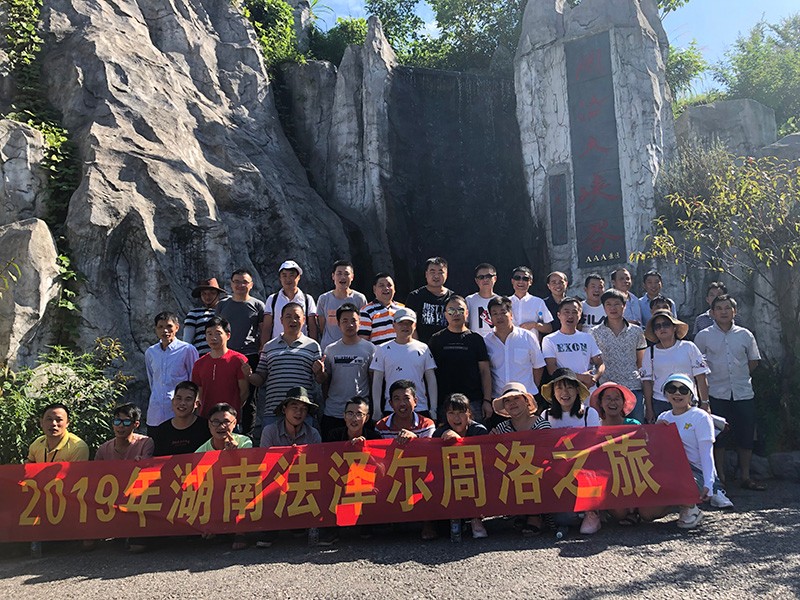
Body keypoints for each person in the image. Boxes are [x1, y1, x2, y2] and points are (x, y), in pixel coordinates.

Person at [694, 294, 764, 492]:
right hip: (716, 393)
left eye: (727, 308)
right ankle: (720, 477)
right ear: (712, 312)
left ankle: (746, 477)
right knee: (718, 438)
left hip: (743, 392)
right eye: (719, 308)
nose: (723, 312)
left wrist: (740, 376)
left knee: (745, 435)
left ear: (735, 311)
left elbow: (753, 360)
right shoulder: (703, 336)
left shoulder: (745, 335)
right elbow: (697, 365)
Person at [640, 374, 721, 529]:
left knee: (672, 481)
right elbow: (655, 452)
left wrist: (709, 483)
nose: (677, 393)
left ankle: (690, 507)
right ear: (665, 394)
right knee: (647, 513)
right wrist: (656, 432)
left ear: (691, 394)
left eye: (683, 390)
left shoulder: (701, 417)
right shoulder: (663, 417)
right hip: (669, 472)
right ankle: (681, 504)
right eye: (672, 389)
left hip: (695, 473)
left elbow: (707, 453)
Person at [538, 368, 601, 535]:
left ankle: (592, 512)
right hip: (557, 474)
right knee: (562, 519)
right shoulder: (545, 415)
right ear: (553, 392)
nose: (564, 393)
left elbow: (596, 447)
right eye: (559, 388)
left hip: (585, 470)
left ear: (577, 390)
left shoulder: (589, 413)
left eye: (569, 387)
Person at [248, 302, 324, 437]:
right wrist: (248, 375)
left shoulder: (313, 346)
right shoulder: (269, 346)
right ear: (281, 320)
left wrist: (320, 372)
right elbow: (260, 378)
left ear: (304, 320)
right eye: (288, 316)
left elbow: (320, 379)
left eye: (297, 317)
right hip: (273, 411)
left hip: (302, 412)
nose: (293, 320)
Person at [374, 380, 436, 540]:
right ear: (390, 403)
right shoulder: (381, 426)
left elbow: (432, 453)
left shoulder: (427, 424)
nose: (402, 403)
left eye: (406, 398)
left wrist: (414, 439)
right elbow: (377, 456)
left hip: (419, 471)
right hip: (392, 471)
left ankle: (428, 522)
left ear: (415, 401)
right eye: (397, 399)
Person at [489, 383, 550, 536]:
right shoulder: (501, 428)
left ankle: (535, 515)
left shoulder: (541, 424)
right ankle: (519, 511)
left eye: (516, 398)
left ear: (526, 401)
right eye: (507, 401)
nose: (512, 403)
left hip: (538, 472)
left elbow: (546, 453)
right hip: (512, 473)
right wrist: (491, 441)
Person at [196, 403, 253, 550]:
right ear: (209, 425)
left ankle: (241, 531)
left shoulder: (245, 442)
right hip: (215, 491)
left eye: (226, 422)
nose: (221, 426)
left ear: (235, 423)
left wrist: (235, 454)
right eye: (216, 422)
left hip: (238, 488)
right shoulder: (200, 452)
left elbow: (248, 473)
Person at [433, 393, 489, 539]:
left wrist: (459, 442)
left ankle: (476, 518)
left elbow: (486, 461)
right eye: (451, 413)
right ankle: (455, 517)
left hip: (476, 476)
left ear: (469, 413)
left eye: (461, 413)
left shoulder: (479, 431)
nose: (456, 418)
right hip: (450, 479)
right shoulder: (439, 433)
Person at [428, 295, 492, 423]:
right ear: (445, 314)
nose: (456, 314)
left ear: (467, 313)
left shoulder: (476, 339)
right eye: (451, 310)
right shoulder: (436, 339)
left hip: (473, 402)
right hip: (445, 403)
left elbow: (485, 371)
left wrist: (487, 400)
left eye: (460, 310)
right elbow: (429, 373)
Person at [216, 268, 266, 431]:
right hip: (227, 355)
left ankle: (248, 434)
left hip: (249, 355)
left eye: (244, 282)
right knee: (225, 394)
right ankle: (225, 430)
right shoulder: (222, 305)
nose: (240, 285)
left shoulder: (258, 305)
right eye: (236, 282)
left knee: (249, 398)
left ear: (251, 285)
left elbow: (263, 331)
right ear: (231, 284)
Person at [484, 296, 546, 428]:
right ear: (490, 318)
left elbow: (538, 367)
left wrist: (530, 389)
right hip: (500, 401)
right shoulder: (486, 341)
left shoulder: (527, 337)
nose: (499, 317)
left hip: (525, 399)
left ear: (511, 314)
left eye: (503, 312)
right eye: (495, 314)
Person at [641, 309, 710, 425]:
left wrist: (705, 403)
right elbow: (647, 382)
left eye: (666, 324)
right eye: (657, 326)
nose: (662, 328)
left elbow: (701, 377)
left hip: (688, 400)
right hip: (661, 403)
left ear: (674, 327)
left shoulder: (689, 347)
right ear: (654, 331)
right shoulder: (649, 352)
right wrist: (649, 408)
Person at [319, 303, 376, 439]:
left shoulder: (370, 349)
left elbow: (373, 381)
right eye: (345, 321)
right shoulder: (330, 349)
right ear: (338, 324)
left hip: (360, 413)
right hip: (334, 411)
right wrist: (319, 372)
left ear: (360, 323)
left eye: (353, 320)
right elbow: (325, 382)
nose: (349, 325)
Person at [589, 382, 642, 525]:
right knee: (619, 513)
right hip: (605, 478)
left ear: (623, 402)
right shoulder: (594, 426)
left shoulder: (634, 425)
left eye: (617, 398)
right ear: (600, 403)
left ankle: (634, 510)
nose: (612, 402)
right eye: (608, 398)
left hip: (631, 475)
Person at [590, 289, 647, 423]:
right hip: (607, 389)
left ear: (624, 306)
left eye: (616, 304)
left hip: (632, 386)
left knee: (636, 429)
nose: (613, 308)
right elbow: (595, 361)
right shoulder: (595, 332)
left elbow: (641, 361)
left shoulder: (636, 331)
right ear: (603, 307)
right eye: (608, 304)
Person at [371, 308, 437, 419]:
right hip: (392, 408)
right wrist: (377, 409)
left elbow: (431, 379)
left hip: (420, 407)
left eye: (409, 323)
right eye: (401, 323)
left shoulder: (423, 348)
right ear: (394, 325)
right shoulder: (382, 349)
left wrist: (433, 408)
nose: (405, 326)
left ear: (414, 326)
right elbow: (377, 381)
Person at [144, 311, 199, 428]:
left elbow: (194, 380)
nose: (165, 331)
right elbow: (152, 381)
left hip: (179, 411)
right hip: (156, 412)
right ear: (155, 329)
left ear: (177, 327)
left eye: (169, 326)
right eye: (160, 327)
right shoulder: (151, 352)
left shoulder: (187, 350)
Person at [190, 317, 250, 419]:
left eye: (218, 333)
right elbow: (199, 394)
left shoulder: (238, 360)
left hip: (229, 419)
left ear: (228, 335)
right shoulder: (199, 364)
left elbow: (244, 392)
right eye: (209, 334)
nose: (213, 338)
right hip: (206, 418)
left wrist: (232, 411)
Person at [541, 298, 604, 393]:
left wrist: (594, 378)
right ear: (559, 315)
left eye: (574, 312)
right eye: (566, 312)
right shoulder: (549, 339)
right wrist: (581, 377)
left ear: (580, 315)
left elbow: (600, 363)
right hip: (565, 391)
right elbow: (552, 369)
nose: (570, 316)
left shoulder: (587, 337)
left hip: (588, 389)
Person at [316, 260, 368, 350]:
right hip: (329, 349)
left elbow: (363, 325)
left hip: (353, 348)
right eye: (339, 274)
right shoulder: (323, 299)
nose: (343, 277)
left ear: (352, 277)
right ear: (333, 276)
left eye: (346, 274)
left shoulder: (359, 299)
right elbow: (321, 326)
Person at [150, 381, 211, 456]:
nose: (182, 403)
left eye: (188, 399)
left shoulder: (206, 428)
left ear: (196, 404)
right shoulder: (161, 431)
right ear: (173, 401)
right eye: (179, 398)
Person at [264, 260, 319, 340]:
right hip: (278, 344)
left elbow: (312, 326)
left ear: (298, 277)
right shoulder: (272, 299)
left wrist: (313, 345)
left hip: (302, 345)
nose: (288, 279)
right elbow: (267, 326)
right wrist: (264, 345)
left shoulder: (307, 299)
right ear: (280, 278)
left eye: (291, 275)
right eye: (284, 275)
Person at [405, 257, 454, 343]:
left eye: (440, 272)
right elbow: (410, 324)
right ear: (426, 274)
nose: (436, 276)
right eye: (432, 272)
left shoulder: (453, 298)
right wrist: (417, 346)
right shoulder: (415, 296)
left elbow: (458, 323)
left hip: (447, 345)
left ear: (446, 274)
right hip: (422, 346)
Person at [183, 277, 227, 356]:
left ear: (218, 294)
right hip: (200, 356)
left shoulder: (225, 312)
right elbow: (187, 340)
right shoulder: (194, 314)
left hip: (223, 356)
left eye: (212, 293)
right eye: (204, 293)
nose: (207, 296)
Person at [359, 272, 404, 345]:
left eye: (389, 285)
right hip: (378, 351)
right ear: (374, 289)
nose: (386, 288)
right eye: (381, 285)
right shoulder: (366, 311)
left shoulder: (403, 309)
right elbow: (363, 341)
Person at [509, 266, 554, 339]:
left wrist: (535, 325)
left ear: (530, 282)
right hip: (510, 343)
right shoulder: (506, 302)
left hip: (531, 344)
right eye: (517, 278)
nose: (521, 281)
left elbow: (549, 328)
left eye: (525, 279)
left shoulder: (538, 302)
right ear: (512, 281)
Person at [466, 263, 500, 337]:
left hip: (496, 341)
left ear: (495, 278)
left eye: (489, 276)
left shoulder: (500, 301)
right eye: (481, 277)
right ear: (476, 280)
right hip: (475, 341)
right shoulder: (469, 300)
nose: (485, 279)